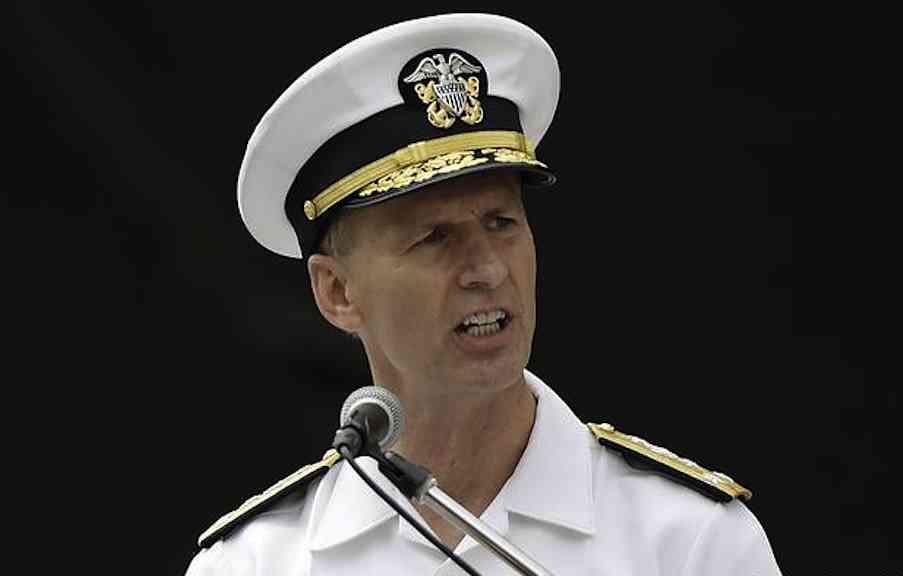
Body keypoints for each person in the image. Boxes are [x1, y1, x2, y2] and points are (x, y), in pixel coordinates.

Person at [185, 13, 783, 575]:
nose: (488, 269)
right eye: (435, 238)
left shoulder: (688, 542)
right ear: (338, 292)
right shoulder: (258, 563)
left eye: (502, 223)